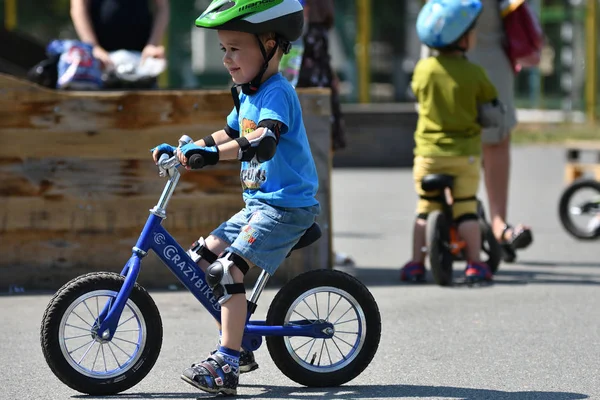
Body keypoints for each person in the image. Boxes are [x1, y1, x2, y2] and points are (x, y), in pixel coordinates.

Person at [151, 0, 319, 395]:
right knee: (198, 262)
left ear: (271, 46)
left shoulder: (277, 94)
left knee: (226, 271)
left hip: (286, 207)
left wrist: (211, 156)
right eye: (223, 49)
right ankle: (239, 343)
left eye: (235, 48)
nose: (226, 58)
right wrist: (187, 150)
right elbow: (228, 134)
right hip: (259, 206)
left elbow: (263, 139)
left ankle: (226, 363)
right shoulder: (246, 91)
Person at [399, 0, 504, 283]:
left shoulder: (424, 69)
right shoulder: (474, 73)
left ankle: (416, 263)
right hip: (464, 156)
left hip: (428, 155)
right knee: (465, 207)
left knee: (425, 209)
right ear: (463, 38)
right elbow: (492, 108)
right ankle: (474, 263)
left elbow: (416, 94)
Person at [466, 0, 533, 259]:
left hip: (490, 53)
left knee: (496, 137)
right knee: (452, 138)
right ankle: (459, 219)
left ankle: (497, 223)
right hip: (449, 54)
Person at [70, 0, 169, 68]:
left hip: (142, 61)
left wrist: (152, 44)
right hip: (100, 64)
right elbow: (78, 7)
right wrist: (94, 48)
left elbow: (162, 7)